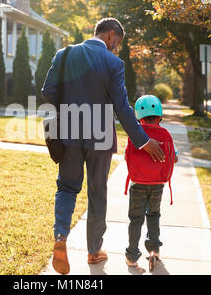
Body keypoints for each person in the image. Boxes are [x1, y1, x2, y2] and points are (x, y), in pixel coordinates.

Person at [41, 18, 165, 275]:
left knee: (66, 187)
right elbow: (122, 107)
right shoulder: (112, 63)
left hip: (69, 132)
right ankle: (94, 250)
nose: (116, 49)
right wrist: (143, 141)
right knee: (97, 193)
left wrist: (58, 122)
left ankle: (61, 237)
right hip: (100, 137)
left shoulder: (63, 55)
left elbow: (47, 91)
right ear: (110, 35)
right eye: (117, 43)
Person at [124, 95, 178, 270]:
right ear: (159, 116)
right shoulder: (165, 134)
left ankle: (132, 256)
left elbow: (127, 156)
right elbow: (174, 158)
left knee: (136, 219)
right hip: (158, 184)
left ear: (139, 117)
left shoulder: (136, 134)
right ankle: (154, 251)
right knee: (153, 215)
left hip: (137, 182)